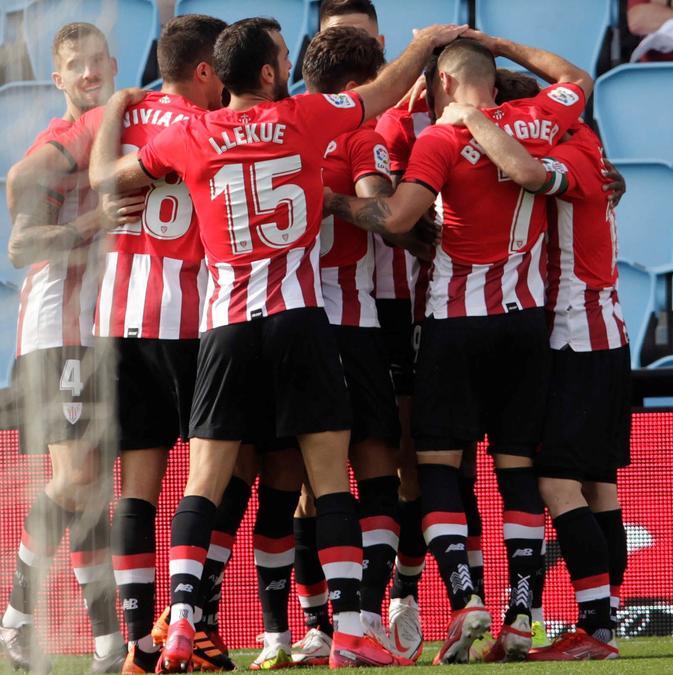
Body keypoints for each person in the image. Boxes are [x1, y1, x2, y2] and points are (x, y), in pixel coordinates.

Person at [90, 17, 470, 670]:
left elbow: (108, 179)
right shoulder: (305, 118)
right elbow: (381, 93)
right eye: (284, 57)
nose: (290, 64)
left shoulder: (190, 135)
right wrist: (425, 44)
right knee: (329, 482)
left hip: (226, 328)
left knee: (203, 484)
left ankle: (180, 620)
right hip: (299, 318)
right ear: (267, 73)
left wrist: (114, 111)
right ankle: (351, 627)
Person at [322, 32, 593, 663]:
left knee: (440, 465)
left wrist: (335, 198)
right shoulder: (539, 119)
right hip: (527, 324)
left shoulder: (439, 139)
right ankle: (522, 615)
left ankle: (466, 599)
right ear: (492, 84)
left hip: (453, 323)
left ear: (442, 84)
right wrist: (497, 43)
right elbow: (576, 73)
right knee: (517, 469)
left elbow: (391, 220)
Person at [43, 15, 231, 673]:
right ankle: (194, 618)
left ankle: (137, 645)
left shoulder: (127, 115)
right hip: (199, 322)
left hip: (121, 320)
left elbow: (98, 180)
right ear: (206, 67)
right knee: (224, 473)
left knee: (137, 489)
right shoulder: (216, 121)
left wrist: (119, 102)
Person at [244, 25, 432, 669]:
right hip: (350, 324)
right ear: (357, 88)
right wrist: (344, 202)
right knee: (375, 467)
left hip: (278, 322)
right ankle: (364, 618)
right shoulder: (355, 136)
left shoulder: (267, 132)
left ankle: (301, 628)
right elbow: (384, 212)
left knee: (294, 482)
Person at [462, 70, 630, 662]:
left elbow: (529, 172)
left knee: (558, 483)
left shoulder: (567, 155)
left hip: (578, 338)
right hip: (600, 336)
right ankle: (600, 623)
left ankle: (595, 629)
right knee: (598, 487)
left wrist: (472, 115)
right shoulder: (588, 150)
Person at [0, 22, 123, 674]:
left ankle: (107, 646)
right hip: (56, 328)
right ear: (59, 78)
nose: (89, 71)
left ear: (114, 63)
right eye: (76, 64)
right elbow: (18, 242)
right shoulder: (58, 140)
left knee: (93, 488)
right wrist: (91, 221)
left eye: (97, 60)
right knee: (74, 478)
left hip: (98, 329)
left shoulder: (122, 132)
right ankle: (15, 619)